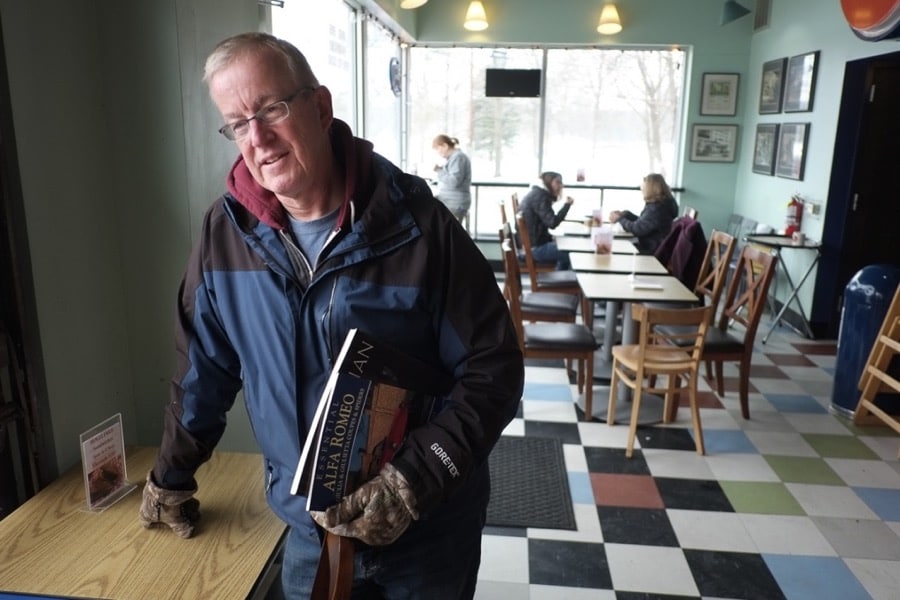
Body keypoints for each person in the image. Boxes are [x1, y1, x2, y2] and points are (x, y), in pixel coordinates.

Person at [138, 32, 524, 599]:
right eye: (238, 123)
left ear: (320, 107)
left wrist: (414, 480)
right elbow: (204, 372)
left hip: (427, 531)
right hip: (308, 534)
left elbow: (494, 371)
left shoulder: (419, 226)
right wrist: (171, 475)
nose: (258, 138)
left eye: (271, 108)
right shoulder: (225, 235)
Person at [607, 173, 679, 255]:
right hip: (655, 245)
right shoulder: (662, 203)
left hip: (650, 249)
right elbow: (644, 223)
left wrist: (619, 219)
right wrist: (626, 214)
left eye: (644, 187)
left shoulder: (656, 209)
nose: (642, 189)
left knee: (616, 247)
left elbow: (637, 229)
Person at [517, 171, 574, 270]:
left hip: (530, 246)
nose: (561, 186)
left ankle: (560, 280)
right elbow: (552, 223)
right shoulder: (540, 197)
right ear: (548, 182)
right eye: (558, 182)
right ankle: (565, 281)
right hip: (534, 249)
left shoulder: (537, 193)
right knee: (573, 254)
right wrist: (567, 205)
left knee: (566, 248)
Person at [431, 134, 472, 223]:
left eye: (438, 149)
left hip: (455, 203)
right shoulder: (454, 158)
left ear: (445, 146)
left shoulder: (458, 157)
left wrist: (439, 171)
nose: (438, 152)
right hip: (450, 200)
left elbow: (454, 182)